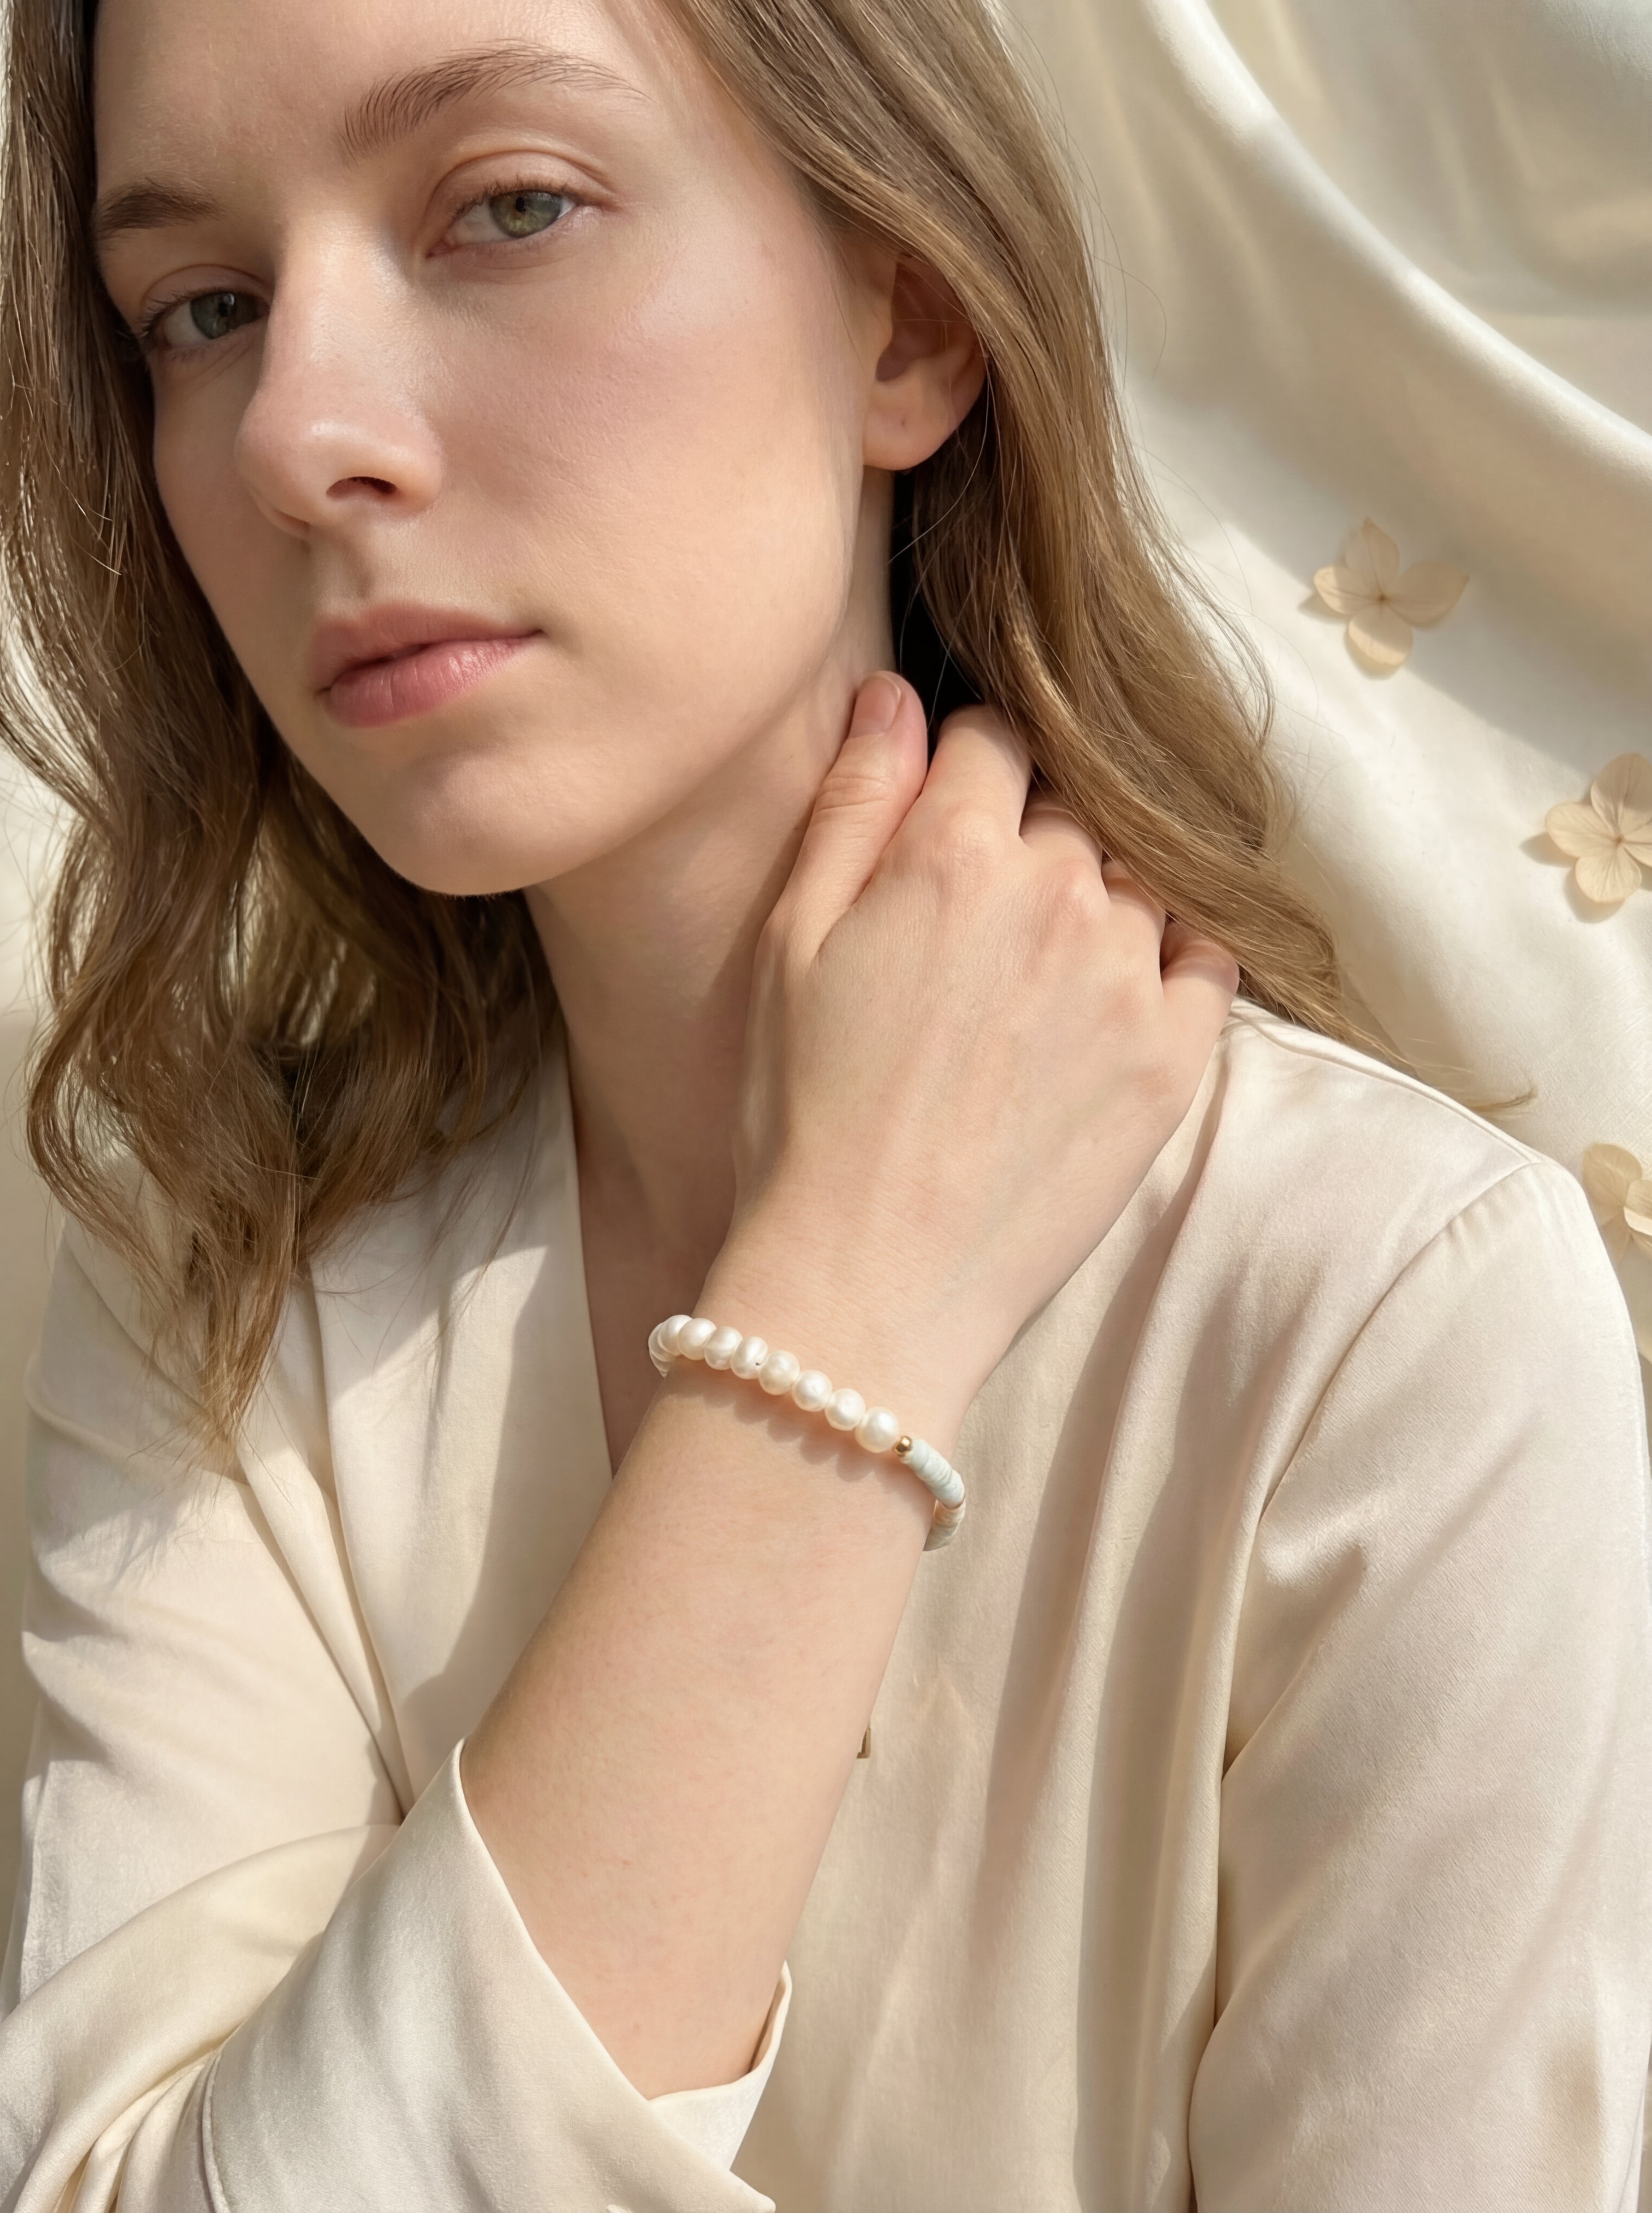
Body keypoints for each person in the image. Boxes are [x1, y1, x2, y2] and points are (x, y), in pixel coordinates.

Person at [0, 0, 1648, 2202]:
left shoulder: (1385, 1315)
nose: (299, 433)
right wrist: (843, 1305)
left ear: (908, 316)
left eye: (507, 208)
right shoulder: (215, 1287)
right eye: (199, 310)